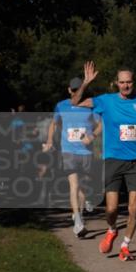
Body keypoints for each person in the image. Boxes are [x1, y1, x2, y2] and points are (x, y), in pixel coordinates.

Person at [71, 62, 136, 261]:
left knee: (133, 208)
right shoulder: (105, 101)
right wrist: (85, 83)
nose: (126, 86)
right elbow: (76, 102)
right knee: (111, 209)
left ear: (133, 83)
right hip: (113, 160)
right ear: (116, 83)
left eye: (129, 82)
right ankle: (111, 229)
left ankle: (126, 245)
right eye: (122, 82)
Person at [45, 72, 101, 237]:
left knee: (83, 185)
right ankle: (77, 221)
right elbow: (53, 125)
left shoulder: (90, 106)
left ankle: (80, 215)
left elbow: (101, 125)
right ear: (69, 90)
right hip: (68, 150)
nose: (76, 92)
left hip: (85, 151)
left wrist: (92, 136)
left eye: (79, 89)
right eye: (74, 89)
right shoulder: (61, 105)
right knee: (74, 185)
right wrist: (49, 141)